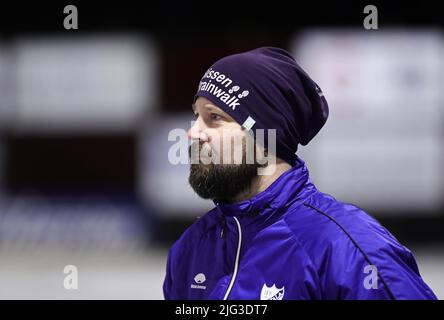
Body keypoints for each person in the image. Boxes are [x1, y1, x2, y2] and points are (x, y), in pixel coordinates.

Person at [163, 47, 437, 300]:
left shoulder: (347, 248)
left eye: (214, 117)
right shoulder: (190, 250)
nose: (192, 132)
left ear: (266, 137)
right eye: (195, 116)